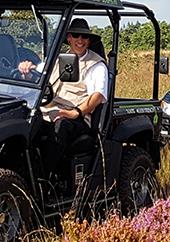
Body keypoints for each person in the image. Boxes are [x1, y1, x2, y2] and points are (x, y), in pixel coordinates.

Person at [18, 18, 108, 173]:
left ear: (89, 40)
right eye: (76, 35)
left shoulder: (96, 65)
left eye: (84, 37)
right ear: (69, 37)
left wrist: (75, 112)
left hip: (77, 117)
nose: (80, 40)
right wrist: (26, 72)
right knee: (23, 118)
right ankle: (21, 169)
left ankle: (45, 178)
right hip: (47, 111)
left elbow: (98, 96)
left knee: (61, 125)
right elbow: (36, 78)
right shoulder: (55, 58)